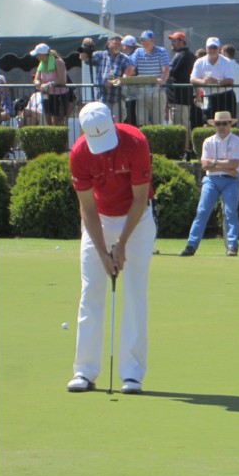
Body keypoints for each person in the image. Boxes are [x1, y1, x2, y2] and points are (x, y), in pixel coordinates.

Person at [66, 102, 156, 394]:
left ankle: (132, 374)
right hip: (100, 220)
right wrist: (104, 251)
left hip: (136, 220)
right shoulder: (79, 154)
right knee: (91, 290)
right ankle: (85, 371)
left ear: (114, 122)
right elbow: (87, 209)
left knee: (133, 292)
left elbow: (140, 199)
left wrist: (122, 244)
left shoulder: (135, 142)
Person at [180, 111, 239, 257]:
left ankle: (232, 245)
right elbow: (204, 165)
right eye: (218, 124)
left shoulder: (237, 141)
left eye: (225, 123)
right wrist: (226, 167)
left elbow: (235, 163)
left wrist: (214, 163)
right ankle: (191, 244)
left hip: (231, 181)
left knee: (230, 212)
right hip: (213, 180)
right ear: (214, 125)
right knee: (202, 211)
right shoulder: (208, 141)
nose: (222, 126)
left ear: (230, 124)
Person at [78, 35, 130, 122]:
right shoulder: (100, 55)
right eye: (115, 43)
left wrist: (113, 81)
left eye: (119, 44)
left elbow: (127, 76)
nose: (117, 46)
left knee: (117, 123)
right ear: (108, 44)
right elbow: (84, 58)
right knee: (103, 122)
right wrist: (85, 45)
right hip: (102, 97)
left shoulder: (124, 58)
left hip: (117, 97)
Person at [123, 31, 170, 126]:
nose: (143, 42)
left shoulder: (161, 51)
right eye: (141, 40)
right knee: (141, 122)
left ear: (152, 40)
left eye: (145, 40)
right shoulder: (138, 52)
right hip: (141, 92)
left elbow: (166, 70)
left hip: (157, 92)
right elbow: (130, 67)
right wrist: (125, 78)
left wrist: (162, 80)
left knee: (157, 122)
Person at [190, 37, 236, 122]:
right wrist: (202, 82)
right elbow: (192, 79)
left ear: (219, 48)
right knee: (208, 123)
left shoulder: (227, 61)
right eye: (210, 47)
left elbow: (230, 80)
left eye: (214, 47)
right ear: (206, 48)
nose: (212, 50)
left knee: (228, 124)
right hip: (209, 96)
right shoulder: (199, 62)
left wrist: (216, 81)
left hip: (226, 96)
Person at [167, 31, 196, 153]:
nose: (172, 43)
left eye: (174, 41)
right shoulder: (190, 55)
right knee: (183, 124)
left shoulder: (181, 55)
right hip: (184, 97)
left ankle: (183, 150)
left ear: (181, 42)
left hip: (178, 98)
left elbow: (170, 72)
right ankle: (186, 148)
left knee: (179, 125)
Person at [30, 43, 69, 126]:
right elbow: (36, 78)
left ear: (42, 54)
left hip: (59, 95)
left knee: (57, 120)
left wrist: (49, 84)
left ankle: (60, 137)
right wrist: (37, 83)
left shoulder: (58, 61)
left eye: (38, 55)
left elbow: (62, 80)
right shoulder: (41, 64)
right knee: (48, 118)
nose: (36, 57)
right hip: (46, 95)